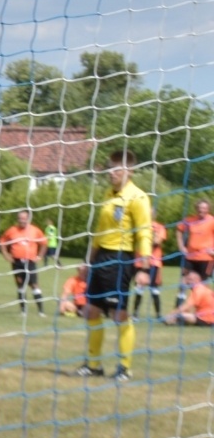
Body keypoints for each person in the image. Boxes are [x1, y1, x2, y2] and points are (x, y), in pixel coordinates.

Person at [77, 150, 152, 381]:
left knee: (118, 313)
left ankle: (125, 368)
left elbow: (144, 233)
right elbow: (99, 233)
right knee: (91, 310)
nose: (111, 173)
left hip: (120, 259)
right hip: (101, 258)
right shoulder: (108, 195)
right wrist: (88, 262)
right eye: (110, 168)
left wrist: (144, 268)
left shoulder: (138, 197)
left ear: (130, 171)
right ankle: (94, 365)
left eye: (117, 169)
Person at [0, 210, 48, 314]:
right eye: (20, 218)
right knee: (20, 284)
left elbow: (44, 243)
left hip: (30, 261)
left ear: (28, 219)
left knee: (34, 284)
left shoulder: (35, 230)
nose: (22, 220)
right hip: (16, 262)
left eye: (24, 218)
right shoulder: (12, 230)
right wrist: (6, 255)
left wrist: (40, 256)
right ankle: (23, 311)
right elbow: (2, 241)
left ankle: (41, 311)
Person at [177, 199, 214, 296]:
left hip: (206, 258)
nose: (202, 210)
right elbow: (179, 230)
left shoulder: (212, 221)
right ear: (196, 208)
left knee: (203, 284)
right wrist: (181, 246)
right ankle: (180, 302)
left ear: (208, 209)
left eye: (204, 208)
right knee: (184, 281)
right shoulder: (190, 220)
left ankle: (206, 304)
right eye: (200, 208)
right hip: (190, 257)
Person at [134, 217, 168, 318]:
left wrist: (145, 241)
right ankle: (135, 314)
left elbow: (157, 242)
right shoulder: (139, 226)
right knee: (139, 287)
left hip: (154, 262)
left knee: (154, 288)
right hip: (140, 262)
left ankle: (158, 314)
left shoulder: (160, 227)